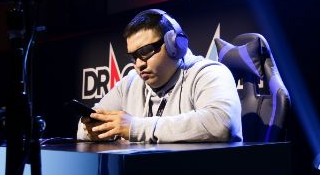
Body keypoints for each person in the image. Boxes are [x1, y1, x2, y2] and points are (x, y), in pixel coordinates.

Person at [77, 9, 242, 143]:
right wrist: (97, 131)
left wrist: (135, 128)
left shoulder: (209, 72)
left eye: (145, 51)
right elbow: (81, 130)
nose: (139, 64)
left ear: (174, 45)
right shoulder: (129, 83)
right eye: (134, 57)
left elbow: (222, 123)